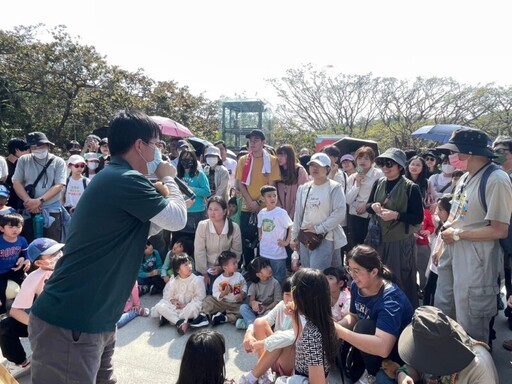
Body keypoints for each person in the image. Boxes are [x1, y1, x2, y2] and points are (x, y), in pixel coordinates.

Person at [27, 109, 187, 384]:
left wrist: (162, 189)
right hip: (72, 323)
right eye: (157, 146)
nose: (159, 153)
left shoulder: (117, 178)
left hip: (94, 320)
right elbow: (177, 218)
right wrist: (169, 178)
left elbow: (153, 226)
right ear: (140, 145)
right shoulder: (124, 179)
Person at [434, 127, 512, 346]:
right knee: (446, 308)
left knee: (471, 318)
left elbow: (499, 230)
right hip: (454, 249)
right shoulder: (466, 177)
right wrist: (443, 243)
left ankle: (477, 374)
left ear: (468, 152)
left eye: (454, 151)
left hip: (477, 257)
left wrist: (458, 234)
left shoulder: (496, 179)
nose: (451, 157)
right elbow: (456, 216)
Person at [335, 245, 414, 384]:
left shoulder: (390, 299)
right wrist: (334, 327)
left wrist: (340, 332)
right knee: (358, 326)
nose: (352, 275)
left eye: (357, 271)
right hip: (375, 343)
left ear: (374, 272)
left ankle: (373, 374)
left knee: (363, 327)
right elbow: (354, 316)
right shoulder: (357, 285)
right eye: (349, 269)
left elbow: (383, 348)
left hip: (398, 351)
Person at [378, 305, 498, 384]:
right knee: (382, 377)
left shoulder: (479, 369)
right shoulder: (431, 345)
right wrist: (402, 374)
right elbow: (416, 365)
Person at [366, 148, 424, 308]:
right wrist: (374, 206)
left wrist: (396, 215)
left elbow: (418, 217)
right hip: (377, 240)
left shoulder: (411, 187)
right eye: (383, 163)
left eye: (390, 163)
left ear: (399, 166)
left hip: (399, 242)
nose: (385, 167)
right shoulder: (379, 182)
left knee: (400, 279)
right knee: (377, 277)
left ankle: (404, 314)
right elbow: (368, 206)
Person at [0, 237, 64, 379]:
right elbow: (15, 310)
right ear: (39, 262)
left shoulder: (72, 266)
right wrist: (39, 325)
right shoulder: (33, 279)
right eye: (53, 254)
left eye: (59, 251)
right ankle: (20, 362)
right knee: (6, 326)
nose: (59, 255)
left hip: (75, 320)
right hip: (48, 321)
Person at [275, 268, 339, 384]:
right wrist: (294, 317)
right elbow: (300, 341)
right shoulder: (322, 320)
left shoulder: (311, 336)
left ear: (303, 297)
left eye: (293, 290)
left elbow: (318, 381)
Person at [291, 153, 347, 270]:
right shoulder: (304, 188)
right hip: (305, 237)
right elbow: (299, 214)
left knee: (318, 273)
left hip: (325, 237)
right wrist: (294, 236)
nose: (314, 168)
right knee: (307, 272)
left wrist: (319, 229)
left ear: (328, 169)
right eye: (312, 165)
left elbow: (339, 213)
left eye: (319, 166)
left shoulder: (334, 187)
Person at [235, 129, 281, 269]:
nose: (252, 143)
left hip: (266, 209)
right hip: (247, 207)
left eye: (256, 140)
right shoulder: (243, 160)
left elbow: (271, 185)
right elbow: (240, 184)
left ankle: (264, 272)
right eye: (250, 140)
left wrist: (259, 202)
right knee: (247, 242)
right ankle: (249, 271)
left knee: (265, 241)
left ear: (263, 142)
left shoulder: (272, 161)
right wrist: (250, 201)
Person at [12, 131, 67, 243]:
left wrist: (40, 201)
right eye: (34, 147)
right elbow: (16, 182)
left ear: (48, 145)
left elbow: (59, 185)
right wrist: (28, 201)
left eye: (41, 146)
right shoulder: (23, 160)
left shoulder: (58, 162)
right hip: (28, 208)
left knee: (52, 245)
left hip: (51, 209)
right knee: (29, 243)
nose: (38, 148)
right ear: (30, 148)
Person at [240, 277, 296, 384]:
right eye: (287, 294)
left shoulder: (302, 312)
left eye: (294, 296)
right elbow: (264, 320)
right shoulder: (281, 306)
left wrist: (259, 344)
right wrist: (248, 333)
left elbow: (290, 337)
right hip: (273, 353)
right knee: (259, 323)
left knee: (279, 336)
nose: (290, 300)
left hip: (288, 360)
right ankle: (265, 370)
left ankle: (253, 376)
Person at [194, 196, 242, 293]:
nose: (212, 212)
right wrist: (204, 273)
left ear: (224, 211)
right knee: (200, 291)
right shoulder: (202, 225)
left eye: (216, 209)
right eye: (210, 209)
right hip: (205, 269)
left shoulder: (234, 227)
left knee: (226, 292)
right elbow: (199, 251)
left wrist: (222, 267)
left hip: (226, 269)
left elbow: (236, 252)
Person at [151, 253, 206, 334]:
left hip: (187, 307)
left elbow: (200, 297)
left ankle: (169, 318)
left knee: (193, 309)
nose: (189, 266)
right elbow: (168, 295)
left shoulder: (197, 280)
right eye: (185, 265)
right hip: (175, 307)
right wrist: (173, 301)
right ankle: (178, 322)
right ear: (178, 270)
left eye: (189, 263)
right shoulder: (174, 280)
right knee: (159, 306)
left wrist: (186, 305)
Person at [345, 146, 383, 247]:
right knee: (357, 246)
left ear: (372, 161)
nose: (362, 161)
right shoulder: (352, 177)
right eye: (360, 158)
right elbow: (348, 199)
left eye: (366, 158)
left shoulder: (379, 175)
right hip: (355, 215)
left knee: (371, 247)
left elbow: (382, 195)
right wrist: (357, 183)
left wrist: (367, 204)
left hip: (372, 215)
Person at [257, 185, 293, 284]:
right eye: (269, 196)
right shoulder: (261, 213)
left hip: (277, 253)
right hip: (264, 251)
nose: (273, 198)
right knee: (265, 277)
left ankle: (280, 298)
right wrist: (260, 235)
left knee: (279, 278)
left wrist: (287, 242)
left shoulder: (281, 213)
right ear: (263, 198)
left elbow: (291, 226)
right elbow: (259, 226)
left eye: (275, 195)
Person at [201, 250, 247, 326]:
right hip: (222, 303)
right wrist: (222, 294)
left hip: (235, 304)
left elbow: (244, 285)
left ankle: (223, 318)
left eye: (236, 263)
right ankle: (204, 316)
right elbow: (215, 293)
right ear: (225, 267)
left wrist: (242, 294)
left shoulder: (238, 276)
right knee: (208, 300)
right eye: (234, 263)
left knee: (244, 310)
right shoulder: (219, 280)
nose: (236, 265)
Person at [174, 148, 210, 241]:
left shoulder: (199, 174)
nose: (186, 161)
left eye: (189, 159)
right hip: (181, 212)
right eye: (184, 159)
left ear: (193, 160)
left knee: (196, 240)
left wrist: (191, 189)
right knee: (179, 241)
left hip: (197, 212)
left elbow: (207, 191)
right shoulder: (177, 175)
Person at [422, 196, 451, 306]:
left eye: (441, 209)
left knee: (435, 299)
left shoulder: (450, 232)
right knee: (428, 294)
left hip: (441, 271)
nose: (437, 212)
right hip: (433, 269)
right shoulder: (441, 226)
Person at [239, 257, 282, 330]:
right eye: (265, 267)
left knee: (270, 313)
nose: (269, 268)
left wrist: (266, 308)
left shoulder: (275, 283)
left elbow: (277, 301)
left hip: (268, 309)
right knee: (243, 307)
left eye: (268, 265)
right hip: (257, 311)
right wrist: (254, 304)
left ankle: (250, 324)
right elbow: (251, 301)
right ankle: (256, 326)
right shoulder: (254, 285)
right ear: (258, 274)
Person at [0, 213, 30, 316]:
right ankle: (2, 312)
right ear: (2, 228)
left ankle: (25, 307)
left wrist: (26, 260)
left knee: (27, 286)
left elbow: (26, 253)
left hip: (15, 270)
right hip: (1, 272)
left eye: (18, 226)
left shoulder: (22, 240)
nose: (15, 229)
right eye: (11, 226)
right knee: (1, 292)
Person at [275, 144, 308, 220]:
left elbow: (302, 195)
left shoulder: (299, 170)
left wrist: (292, 214)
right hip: (279, 214)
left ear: (289, 156)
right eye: (278, 155)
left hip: (296, 213)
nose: (279, 158)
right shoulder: (276, 170)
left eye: (282, 155)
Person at [5, 138, 30, 211]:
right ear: (17, 150)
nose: (28, 153)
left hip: (21, 200)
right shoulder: (3, 163)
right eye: (26, 150)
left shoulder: (24, 164)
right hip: (6, 200)